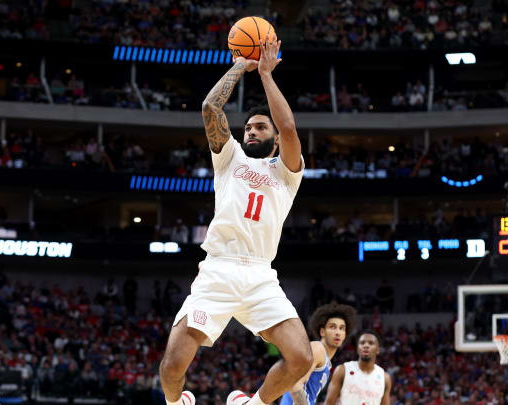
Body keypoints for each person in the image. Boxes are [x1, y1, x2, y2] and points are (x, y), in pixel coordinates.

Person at [159, 37, 313, 405]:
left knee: (302, 358)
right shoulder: (230, 160)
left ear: (274, 141)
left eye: (261, 127)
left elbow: (289, 127)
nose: (251, 131)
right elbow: (211, 107)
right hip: (219, 269)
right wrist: (240, 66)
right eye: (248, 127)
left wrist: (265, 74)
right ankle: (174, 403)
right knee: (172, 365)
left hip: (261, 275)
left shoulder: (286, 172)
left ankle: (253, 403)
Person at [279, 303, 357, 405]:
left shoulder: (327, 362)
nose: (338, 332)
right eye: (333, 327)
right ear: (322, 332)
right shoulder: (318, 348)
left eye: (341, 328)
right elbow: (296, 385)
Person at [324, 331, 392, 405]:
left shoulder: (385, 378)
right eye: (362, 343)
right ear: (357, 349)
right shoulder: (342, 370)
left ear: (378, 350)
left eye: (371, 343)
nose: (366, 345)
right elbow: (328, 403)